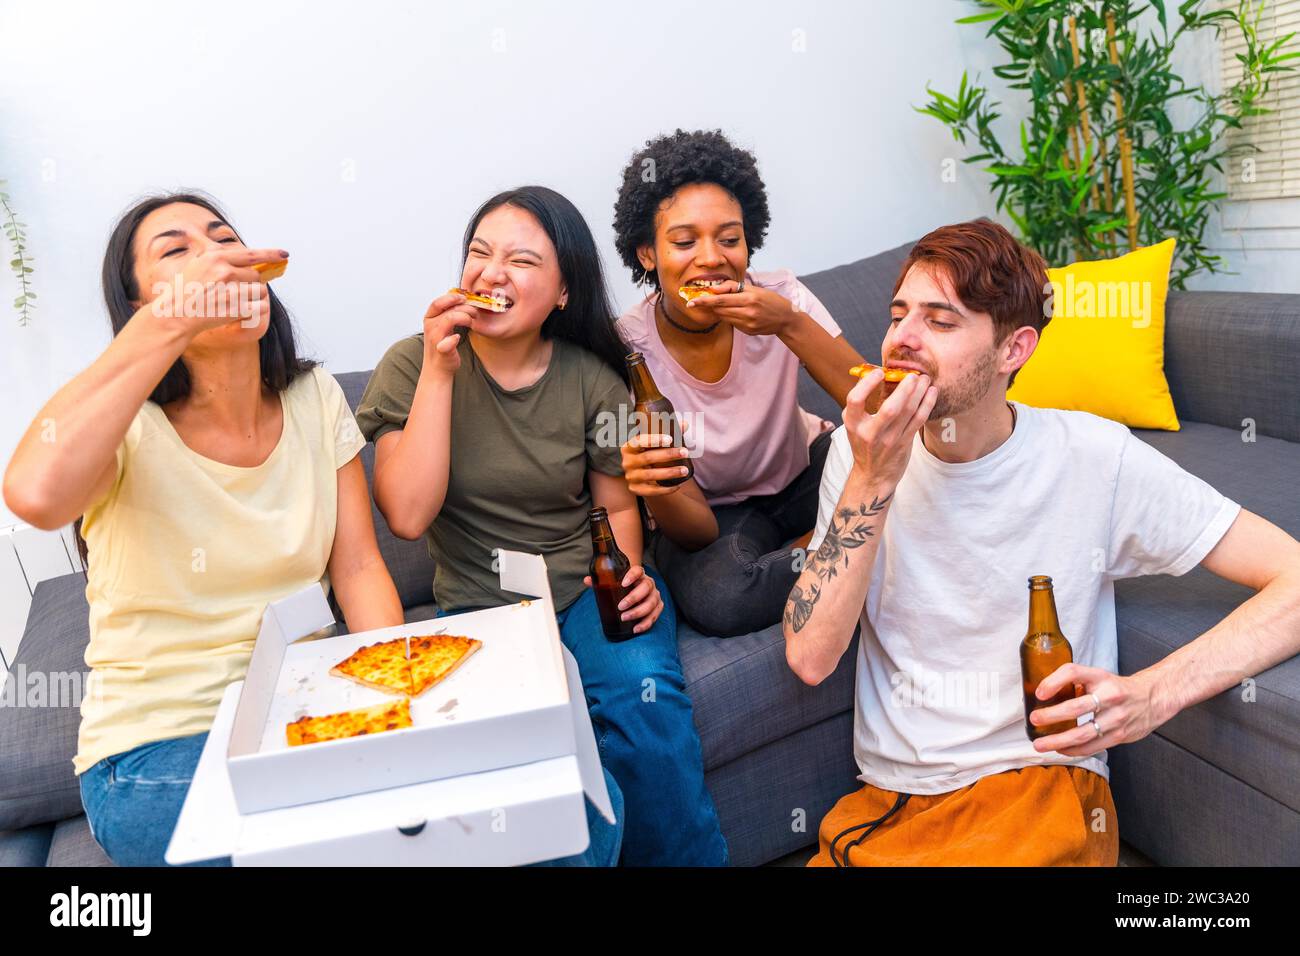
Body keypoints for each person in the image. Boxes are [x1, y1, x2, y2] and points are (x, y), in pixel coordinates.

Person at [783, 218, 1300, 866]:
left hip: (1042, 789)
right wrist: (873, 477)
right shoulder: (860, 457)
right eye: (898, 315)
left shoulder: (1094, 455)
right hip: (889, 806)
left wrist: (1151, 694)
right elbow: (809, 656)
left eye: (940, 322)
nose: (902, 341)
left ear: (1013, 349)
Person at [355, 185, 727, 866]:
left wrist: (630, 573)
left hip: (588, 590)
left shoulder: (592, 377)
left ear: (561, 292)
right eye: (479, 253)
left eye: (521, 260)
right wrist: (440, 373)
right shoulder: (412, 363)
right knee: (536, 771)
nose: (492, 273)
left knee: (643, 714)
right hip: (479, 611)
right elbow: (406, 516)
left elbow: (617, 505)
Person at [611, 129, 865, 637]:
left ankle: (837, 540)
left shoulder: (780, 298)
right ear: (647, 253)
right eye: (684, 242)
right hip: (718, 516)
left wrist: (789, 325)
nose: (711, 258)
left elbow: (878, 408)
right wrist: (654, 487)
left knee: (922, 458)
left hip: (806, 472)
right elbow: (694, 528)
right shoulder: (626, 348)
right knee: (721, 596)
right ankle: (858, 543)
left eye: (729, 239)